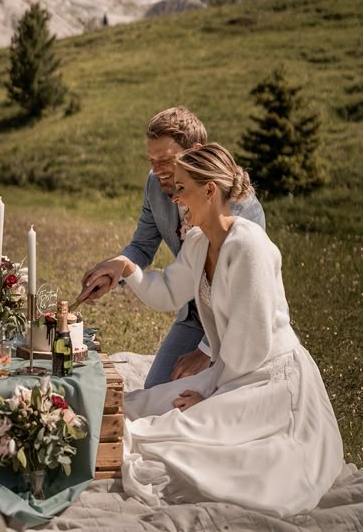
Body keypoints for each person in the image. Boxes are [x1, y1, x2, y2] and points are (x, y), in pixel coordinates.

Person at [85, 143, 344, 517]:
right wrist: (127, 267)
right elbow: (169, 292)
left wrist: (210, 396)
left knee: (178, 434)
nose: (175, 198)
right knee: (141, 406)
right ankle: (94, 435)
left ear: (210, 190)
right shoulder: (199, 241)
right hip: (231, 370)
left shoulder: (249, 245)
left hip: (270, 381)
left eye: (182, 188)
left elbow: (252, 346)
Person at [80, 107, 265, 388]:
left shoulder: (242, 214)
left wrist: (206, 351)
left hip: (239, 326)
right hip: (193, 314)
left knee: (209, 401)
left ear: (196, 152)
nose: (156, 171)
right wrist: (118, 269)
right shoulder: (156, 185)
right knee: (156, 390)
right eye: (151, 160)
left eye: (165, 160)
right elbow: (143, 247)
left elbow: (249, 300)